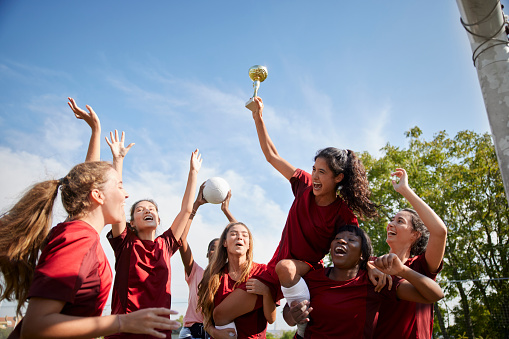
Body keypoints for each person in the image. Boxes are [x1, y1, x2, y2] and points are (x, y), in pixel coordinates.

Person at [213, 96, 380, 337]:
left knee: (286, 267)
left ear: (338, 178)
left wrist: (372, 266)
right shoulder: (304, 184)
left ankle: (302, 327)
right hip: (275, 268)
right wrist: (257, 115)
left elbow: (358, 248)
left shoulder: (343, 214)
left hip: (305, 270)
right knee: (220, 314)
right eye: (315, 169)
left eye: (322, 172)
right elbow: (272, 155)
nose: (316, 176)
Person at [0, 161, 179, 338]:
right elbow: (34, 327)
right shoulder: (77, 237)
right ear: (98, 196)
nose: (126, 195)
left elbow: (84, 181)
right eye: (119, 186)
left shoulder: (87, 237)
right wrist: (122, 322)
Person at [105, 145, 202, 339]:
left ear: (158, 219)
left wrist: (193, 172)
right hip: (124, 331)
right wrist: (118, 160)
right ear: (131, 222)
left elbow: (186, 209)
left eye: (152, 209)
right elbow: (115, 202)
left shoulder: (165, 244)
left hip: (157, 332)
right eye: (140, 210)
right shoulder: (124, 243)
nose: (148, 211)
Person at [282, 225, 444, 339]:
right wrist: (293, 316)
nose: (342, 241)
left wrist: (402, 270)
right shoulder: (313, 278)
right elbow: (288, 315)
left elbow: (435, 294)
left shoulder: (376, 283)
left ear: (362, 254)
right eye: (337, 239)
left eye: (351, 240)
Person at [373, 168, 448, 339]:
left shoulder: (421, 265)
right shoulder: (374, 265)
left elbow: (440, 232)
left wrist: (404, 190)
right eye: (392, 219)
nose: (390, 224)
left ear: (415, 235)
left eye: (399, 221)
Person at [197, 222, 277, 339]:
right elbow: (206, 318)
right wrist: (215, 333)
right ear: (224, 243)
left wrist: (266, 292)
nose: (240, 237)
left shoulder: (262, 272)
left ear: (249, 244)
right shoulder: (213, 276)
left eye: (245, 235)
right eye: (234, 234)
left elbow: (271, 319)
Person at [178, 185, 236, 339]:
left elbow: (242, 238)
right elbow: (181, 239)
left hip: (216, 332)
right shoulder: (195, 272)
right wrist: (195, 206)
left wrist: (226, 212)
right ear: (207, 253)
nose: (215, 251)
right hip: (191, 331)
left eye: (219, 249)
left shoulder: (229, 277)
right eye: (212, 248)